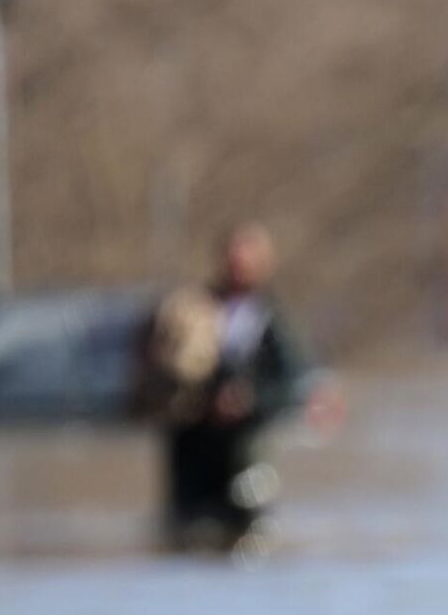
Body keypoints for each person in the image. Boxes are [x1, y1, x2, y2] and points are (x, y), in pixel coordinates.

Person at [137, 222, 330, 552]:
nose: (239, 266)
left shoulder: (272, 321)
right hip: (193, 439)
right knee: (188, 533)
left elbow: (292, 382)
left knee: (250, 531)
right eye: (233, 258)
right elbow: (159, 365)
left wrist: (248, 400)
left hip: (245, 445)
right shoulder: (190, 309)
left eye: (248, 259)